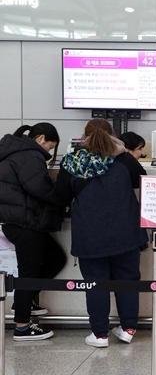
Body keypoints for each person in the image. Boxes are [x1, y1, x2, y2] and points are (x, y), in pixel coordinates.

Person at [54, 119, 147, 348]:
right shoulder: (124, 159)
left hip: (90, 234)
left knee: (95, 284)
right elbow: (142, 180)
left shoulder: (71, 161)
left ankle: (99, 334)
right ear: (113, 134)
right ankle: (127, 329)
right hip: (126, 232)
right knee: (127, 281)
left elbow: (61, 197)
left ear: (83, 137)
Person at [0, 123, 67, 341]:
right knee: (28, 272)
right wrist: (63, 198)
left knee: (54, 259)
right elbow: (40, 187)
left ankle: (25, 301)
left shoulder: (17, 150)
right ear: (40, 139)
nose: (49, 151)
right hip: (24, 223)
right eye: (50, 145)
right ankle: (22, 326)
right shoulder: (29, 155)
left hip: (22, 220)